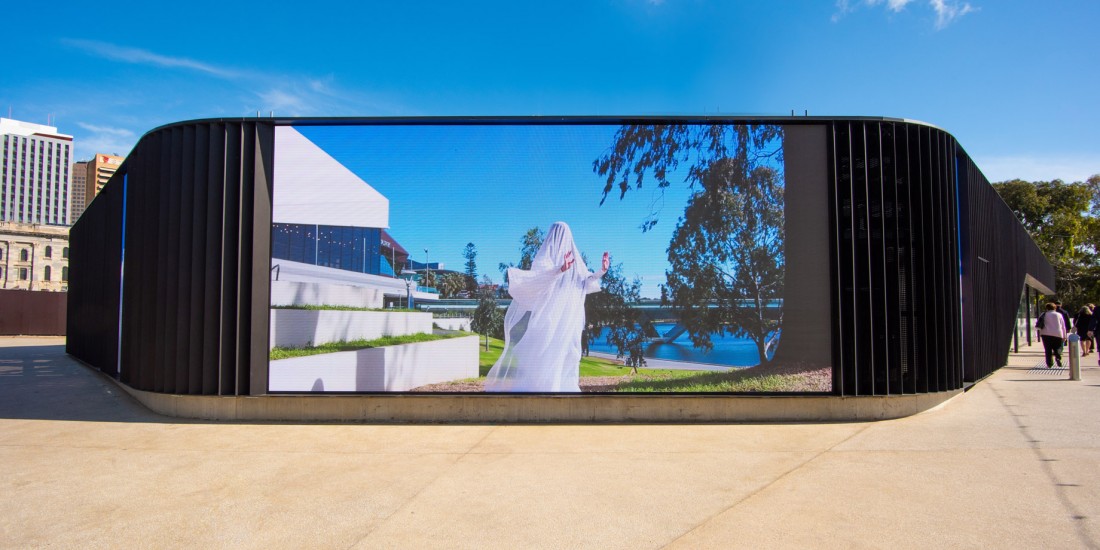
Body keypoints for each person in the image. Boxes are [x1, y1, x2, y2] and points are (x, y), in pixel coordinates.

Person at [485, 222, 609, 392]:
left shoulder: (576, 263)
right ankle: (545, 389)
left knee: (568, 354)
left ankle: (561, 388)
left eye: (564, 234)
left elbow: (585, 282)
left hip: (566, 321)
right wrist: (560, 269)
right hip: (548, 319)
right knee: (545, 354)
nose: (562, 238)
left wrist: (601, 271)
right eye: (559, 233)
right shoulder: (544, 259)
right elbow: (538, 279)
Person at [1037, 302, 1068, 368]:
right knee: (1058, 347)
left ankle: (1049, 363)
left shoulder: (1043, 314)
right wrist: (1064, 336)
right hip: (1057, 334)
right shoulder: (1059, 315)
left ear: (1047, 308)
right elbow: (1063, 326)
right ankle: (1058, 358)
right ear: (1055, 308)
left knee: (1048, 349)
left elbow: (1039, 324)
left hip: (1045, 334)